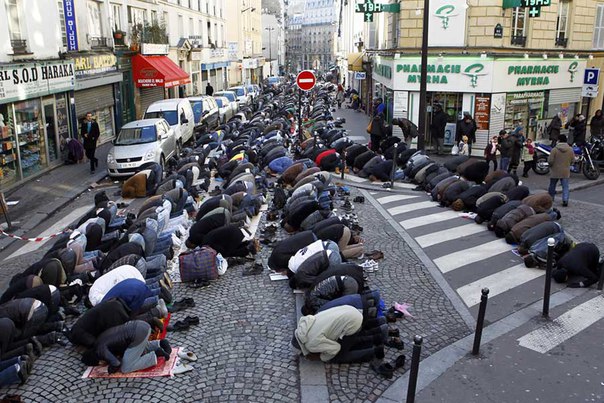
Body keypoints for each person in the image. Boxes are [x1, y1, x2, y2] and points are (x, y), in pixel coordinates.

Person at [81, 320, 171, 374]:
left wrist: (111, 369)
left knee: (126, 367)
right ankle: (160, 343)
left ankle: (154, 355)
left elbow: (116, 363)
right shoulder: (99, 340)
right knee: (136, 350)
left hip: (137, 335)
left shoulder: (100, 350)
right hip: (141, 326)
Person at [548, 134, 574, 207]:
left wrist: (550, 165)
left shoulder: (554, 150)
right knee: (565, 186)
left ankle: (550, 198)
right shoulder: (570, 149)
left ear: (558, 140)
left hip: (555, 170)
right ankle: (565, 200)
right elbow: (573, 160)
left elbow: (550, 160)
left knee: (552, 185)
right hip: (565, 171)